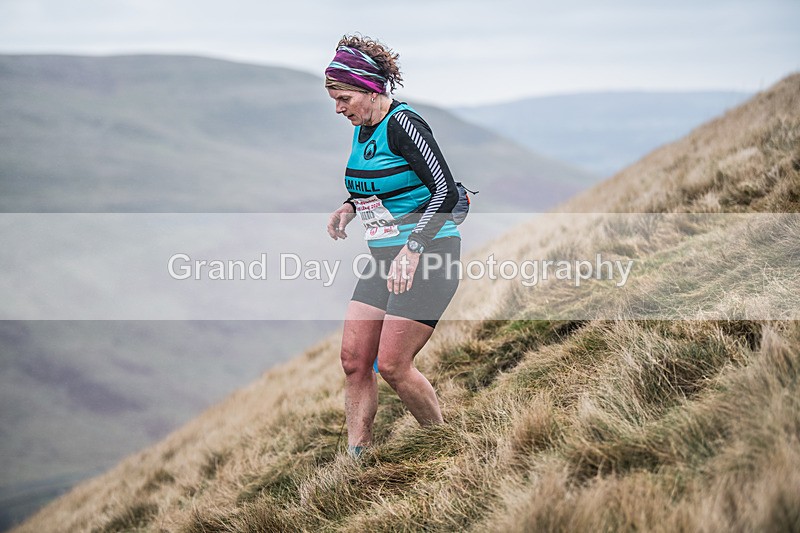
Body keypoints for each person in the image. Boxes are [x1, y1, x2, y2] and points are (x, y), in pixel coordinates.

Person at [325, 35, 462, 458]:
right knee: (354, 360)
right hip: (384, 257)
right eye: (334, 99)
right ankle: (358, 459)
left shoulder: (404, 125)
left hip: (429, 254)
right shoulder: (362, 127)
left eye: (344, 97)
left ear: (370, 89)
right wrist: (350, 205)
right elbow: (387, 184)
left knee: (394, 366)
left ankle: (444, 444)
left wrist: (414, 247)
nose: (338, 108)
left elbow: (445, 191)